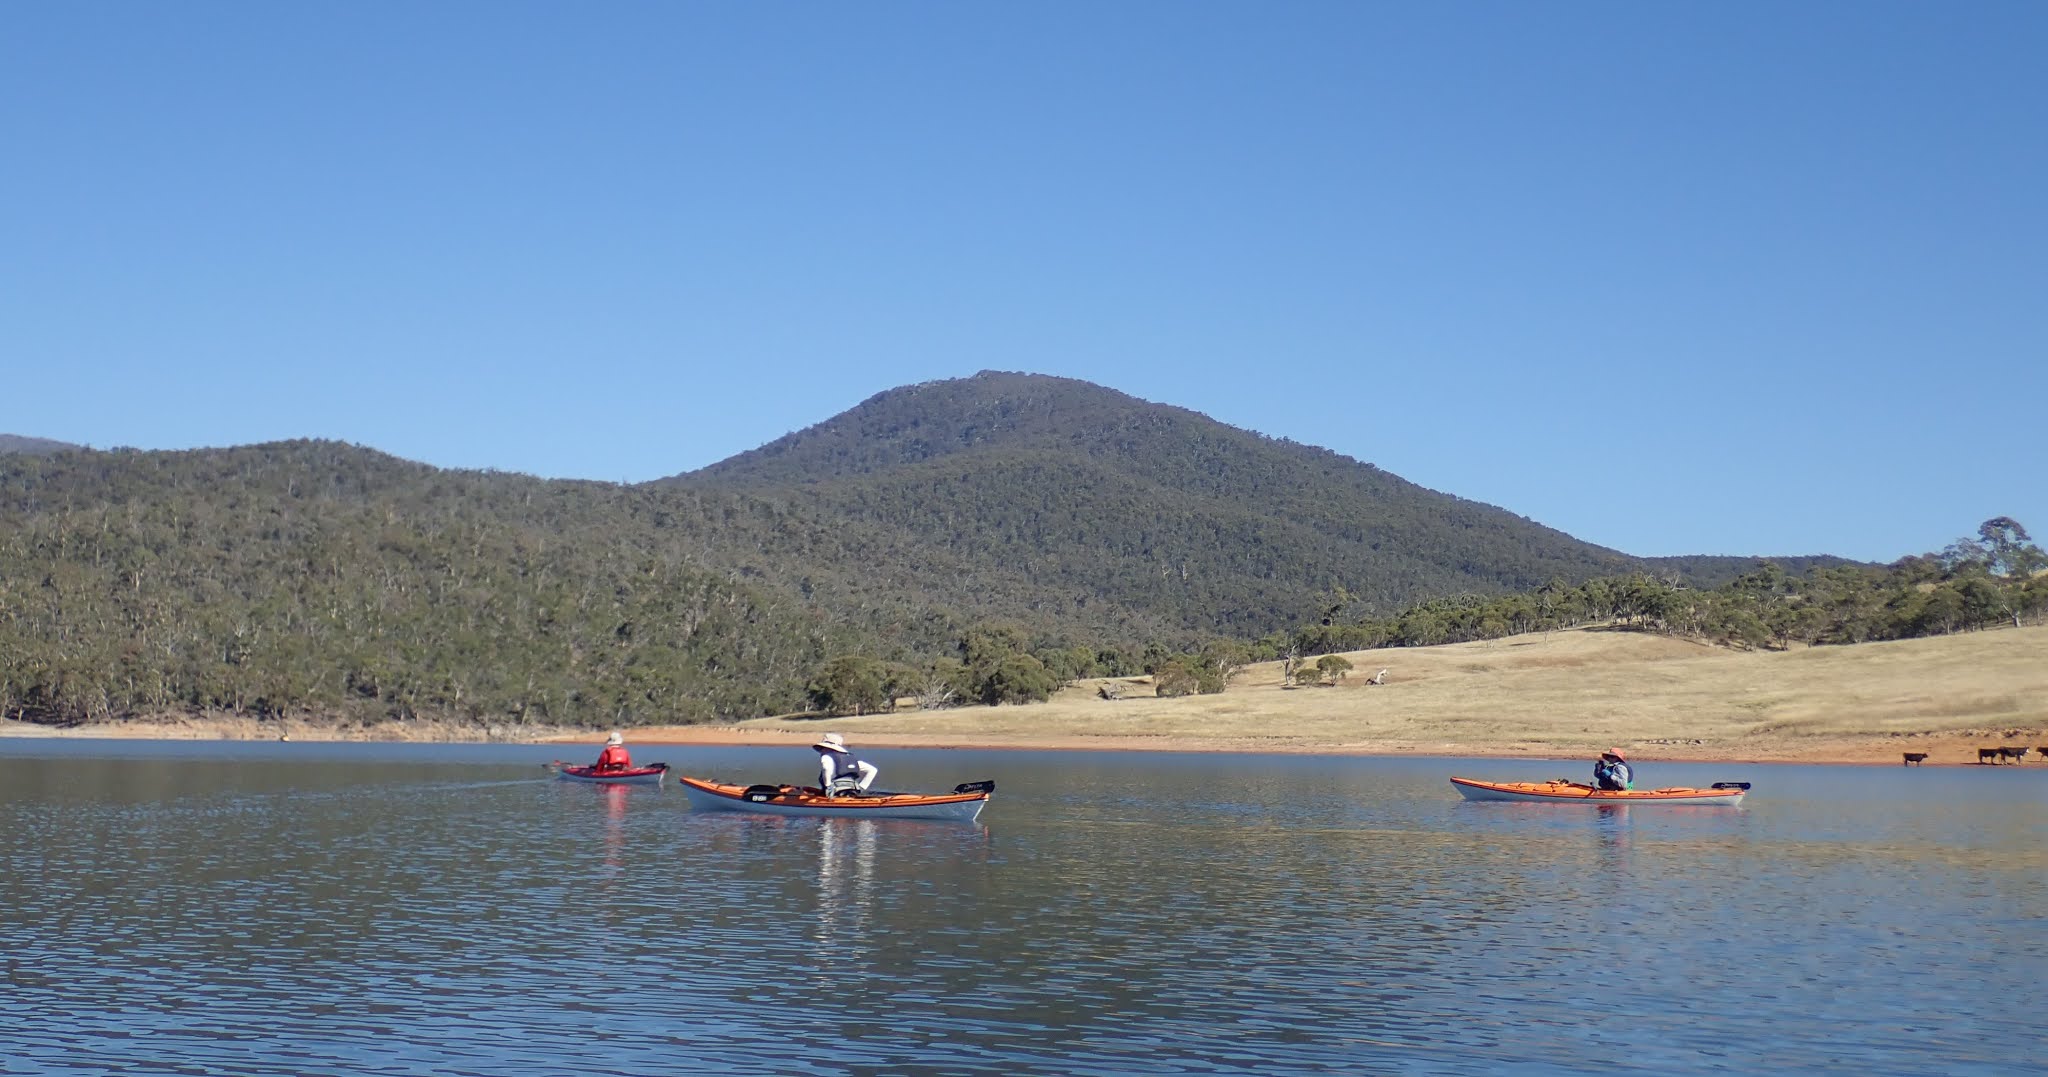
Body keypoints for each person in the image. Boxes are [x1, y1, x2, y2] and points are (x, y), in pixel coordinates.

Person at [814, 732, 879, 797]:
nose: (821, 751)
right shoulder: (850, 758)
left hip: (834, 793)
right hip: (853, 791)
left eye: (823, 748)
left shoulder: (826, 757)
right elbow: (872, 770)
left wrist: (828, 786)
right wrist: (861, 787)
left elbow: (826, 768)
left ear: (827, 748)